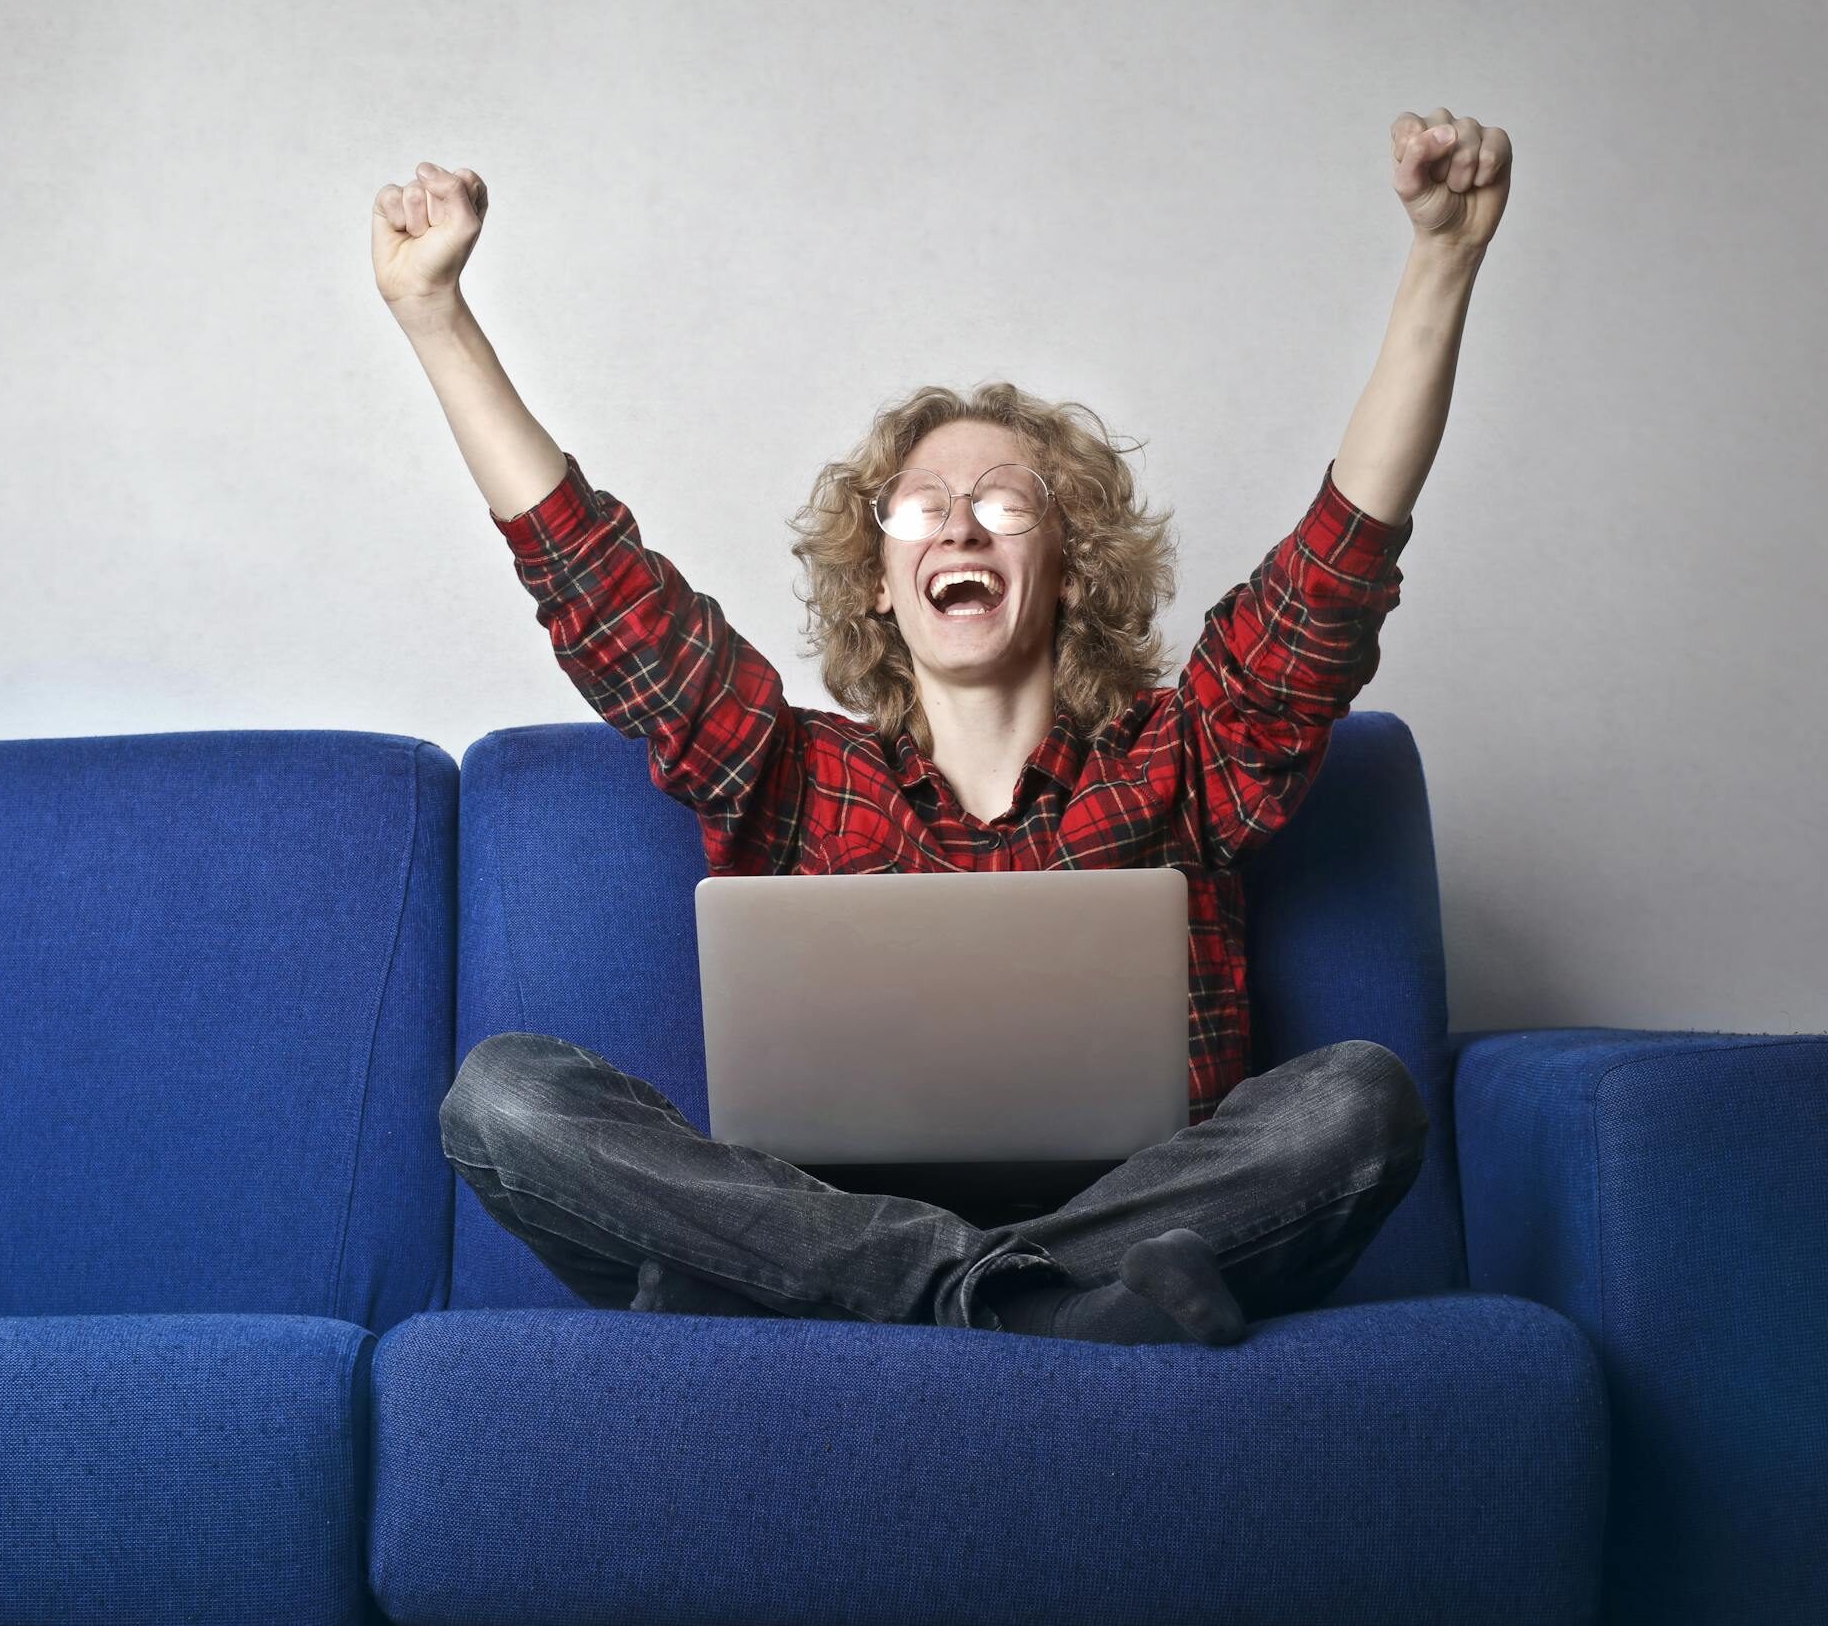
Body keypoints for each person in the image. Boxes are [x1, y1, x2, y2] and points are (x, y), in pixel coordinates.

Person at [367, 112, 1510, 1344]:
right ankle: (1029, 1307)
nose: (959, 526)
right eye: (921, 508)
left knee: (1355, 1099)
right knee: (505, 1098)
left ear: (1067, 566)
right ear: (875, 576)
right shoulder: (794, 777)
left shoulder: (1184, 762)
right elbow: (597, 584)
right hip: (841, 1217)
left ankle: (875, 1301)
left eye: (1003, 502)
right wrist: (435, 315)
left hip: (1141, 1215)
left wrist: (1440, 263)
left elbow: (1334, 575)